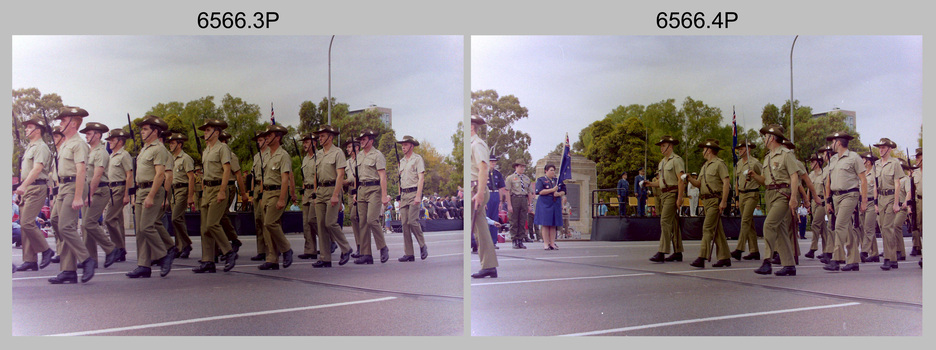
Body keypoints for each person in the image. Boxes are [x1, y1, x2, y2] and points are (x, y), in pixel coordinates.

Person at [47, 106, 98, 284]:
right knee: (57, 223)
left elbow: (81, 170)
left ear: (73, 123)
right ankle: (68, 270)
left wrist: (78, 196)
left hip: (73, 185)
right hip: (63, 186)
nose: (60, 124)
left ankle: (86, 259)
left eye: (63, 120)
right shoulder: (66, 144)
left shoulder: (78, 144)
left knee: (65, 227)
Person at [747, 124, 801, 276]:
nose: (764, 139)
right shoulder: (767, 157)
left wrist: (794, 197)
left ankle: (767, 261)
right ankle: (789, 265)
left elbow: (794, 176)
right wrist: (754, 176)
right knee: (780, 229)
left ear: (771, 138)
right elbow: (765, 181)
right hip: (770, 194)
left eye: (766, 137)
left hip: (782, 194)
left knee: (769, 225)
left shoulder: (786, 154)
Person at [127, 115, 174, 278]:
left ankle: (163, 254)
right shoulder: (144, 149)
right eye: (142, 129)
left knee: (147, 226)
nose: (142, 131)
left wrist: (151, 196)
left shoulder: (159, 149)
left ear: (155, 131)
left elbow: (160, 174)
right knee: (140, 231)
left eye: (145, 129)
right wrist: (135, 195)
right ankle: (143, 265)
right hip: (141, 190)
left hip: (151, 190)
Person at [191, 118, 237, 273]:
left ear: (216, 133)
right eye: (204, 130)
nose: (205, 133)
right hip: (207, 190)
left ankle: (229, 251)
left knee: (212, 224)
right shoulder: (206, 150)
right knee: (204, 228)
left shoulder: (222, 148)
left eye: (208, 130)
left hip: (218, 188)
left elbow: (226, 170)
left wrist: (223, 191)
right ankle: (208, 261)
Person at [822, 131, 868, 272]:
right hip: (836, 196)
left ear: (839, 143)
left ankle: (836, 259)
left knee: (840, 225)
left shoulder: (854, 157)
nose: (831, 144)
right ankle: (854, 261)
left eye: (833, 142)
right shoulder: (833, 159)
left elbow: (863, 180)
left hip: (850, 194)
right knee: (847, 228)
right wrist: (828, 200)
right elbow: (829, 182)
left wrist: (864, 201)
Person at [14, 117, 55, 272]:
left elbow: (37, 169)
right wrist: (21, 187)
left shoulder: (41, 147)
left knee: (27, 222)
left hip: (36, 187)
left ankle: (46, 250)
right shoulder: (31, 147)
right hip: (28, 188)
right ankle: (30, 260)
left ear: (37, 130)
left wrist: (23, 186)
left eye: (29, 127)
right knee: (24, 226)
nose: (26, 129)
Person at [78, 121, 121, 268]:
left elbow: (97, 175)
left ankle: (111, 249)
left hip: (99, 191)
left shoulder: (101, 152)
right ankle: (91, 259)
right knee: (85, 226)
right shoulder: (89, 151)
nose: (86, 137)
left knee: (89, 222)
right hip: (89, 191)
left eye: (89, 134)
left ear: (97, 135)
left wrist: (89, 194)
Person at [685, 139, 731, 268]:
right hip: (705, 200)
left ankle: (702, 257)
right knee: (717, 231)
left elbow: (726, 183)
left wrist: (723, 201)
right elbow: (699, 184)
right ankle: (725, 257)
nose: (703, 151)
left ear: (709, 150)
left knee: (707, 228)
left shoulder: (719, 164)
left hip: (715, 200)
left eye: (704, 148)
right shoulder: (705, 166)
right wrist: (690, 179)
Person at [311, 125, 353, 268]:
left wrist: (336, 195)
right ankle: (325, 258)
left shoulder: (338, 152)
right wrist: (316, 194)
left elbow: (341, 174)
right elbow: (316, 176)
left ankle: (346, 248)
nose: (320, 138)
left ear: (330, 137)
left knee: (330, 222)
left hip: (332, 190)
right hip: (321, 191)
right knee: (321, 225)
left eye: (322, 136)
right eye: (319, 136)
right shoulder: (320, 154)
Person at [256, 124, 294, 270]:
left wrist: (282, 199)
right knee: (267, 228)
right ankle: (272, 259)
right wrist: (261, 196)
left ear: (278, 138)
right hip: (266, 193)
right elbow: (263, 178)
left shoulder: (283, 155)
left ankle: (286, 249)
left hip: (277, 193)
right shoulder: (266, 156)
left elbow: (285, 179)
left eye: (270, 135)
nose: (267, 138)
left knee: (269, 223)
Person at [646, 136, 685, 263]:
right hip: (664, 194)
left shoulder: (677, 160)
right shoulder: (662, 162)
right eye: (661, 146)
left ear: (670, 146)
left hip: (672, 193)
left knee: (664, 221)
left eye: (663, 145)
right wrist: (651, 184)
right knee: (673, 224)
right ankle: (678, 252)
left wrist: (680, 198)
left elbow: (681, 180)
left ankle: (662, 251)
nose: (661, 148)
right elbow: (662, 182)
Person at [354, 128, 390, 264]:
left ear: (371, 140)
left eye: (364, 139)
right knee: (362, 222)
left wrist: (384, 196)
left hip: (374, 189)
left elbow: (382, 176)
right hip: (362, 189)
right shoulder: (359, 156)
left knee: (371, 220)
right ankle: (366, 254)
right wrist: (355, 193)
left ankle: (383, 247)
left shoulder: (377, 155)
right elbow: (356, 177)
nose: (361, 142)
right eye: (361, 140)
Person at [470, 115, 498, 278]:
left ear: (472, 127)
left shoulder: (477, 144)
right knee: (478, 229)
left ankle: (488, 265)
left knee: (480, 229)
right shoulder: (471, 144)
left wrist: (480, 194)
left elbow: (483, 169)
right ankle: (489, 265)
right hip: (472, 189)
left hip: (476, 190)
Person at [872, 137, 904, 271]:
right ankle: (892, 259)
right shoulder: (877, 164)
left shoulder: (894, 163)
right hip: (881, 198)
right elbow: (875, 185)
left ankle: (889, 258)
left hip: (891, 197)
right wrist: (875, 203)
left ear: (889, 149)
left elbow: (897, 184)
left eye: (884, 147)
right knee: (884, 229)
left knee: (887, 228)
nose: (881, 150)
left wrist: (896, 203)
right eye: (880, 147)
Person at [396, 135, 429, 261]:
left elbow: (421, 178)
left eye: (405, 145)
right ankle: (409, 253)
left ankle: (422, 245)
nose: (403, 147)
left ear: (411, 146)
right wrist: (399, 196)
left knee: (412, 221)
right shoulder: (402, 161)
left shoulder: (417, 159)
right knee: (404, 224)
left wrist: (418, 196)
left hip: (414, 193)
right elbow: (400, 180)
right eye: (402, 145)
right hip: (404, 195)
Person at [104, 129, 133, 263]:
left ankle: (117, 248)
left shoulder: (124, 155)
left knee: (109, 219)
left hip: (120, 188)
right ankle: (121, 250)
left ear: (120, 141)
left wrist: (127, 194)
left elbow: (129, 175)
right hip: (111, 188)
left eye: (112, 140)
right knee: (118, 222)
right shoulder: (111, 156)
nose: (110, 142)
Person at [731, 140, 762, 261]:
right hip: (742, 194)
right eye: (739, 149)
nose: (739, 151)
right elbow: (737, 182)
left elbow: (763, 178)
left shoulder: (755, 163)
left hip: (752, 193)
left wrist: (754, 176)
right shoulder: (738, 164)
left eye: (742, 149)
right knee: (749, 223)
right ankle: (754, 251)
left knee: (745, 221)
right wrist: (737, 198)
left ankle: (739, 249)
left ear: (749, 150)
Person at [167, 132, 195, 259]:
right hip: (174, 190)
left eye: (173, 143)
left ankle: (187, 244)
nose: (170, 145)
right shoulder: (171, 159)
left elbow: (191, 178)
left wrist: (190, 196)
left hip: (182, 189)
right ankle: (180, 247)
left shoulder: (186, 158)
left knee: (175, 218)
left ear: (179, 144)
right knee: (178, 221)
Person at [805, 153, 832, 261]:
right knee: (823, 228)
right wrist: (807, 202)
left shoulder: (823, 173)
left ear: (818, 162)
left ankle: (813, 249)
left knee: (815, 224)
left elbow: (827, 187)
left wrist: (827, 201)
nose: (811, 163)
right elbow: (809, 189)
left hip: (822, 201)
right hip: (813, 201)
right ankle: (826, 251)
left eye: (813, 161)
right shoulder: (811, 174)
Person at [249, 129, 270, 261]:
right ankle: (261, 250)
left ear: (266, 141)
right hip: (256, 188)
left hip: (265, 189)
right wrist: (251, 194)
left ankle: (271, 249)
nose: (259, 143)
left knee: (266, 221)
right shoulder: (257, 156)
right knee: (257, 221)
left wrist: (262, 193)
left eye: (261, 140)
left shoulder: (269, 155)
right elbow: (253, 176)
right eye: (257, 141)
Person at [297, 132, 319, 260]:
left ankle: (327, 240)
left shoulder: (319, 156)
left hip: (316, 191)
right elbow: (304, 177)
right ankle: (310, 250)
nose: (304, 145)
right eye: (303, 143)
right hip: (307, 191)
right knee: (306, 223)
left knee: (312, 219)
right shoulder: (305, 158)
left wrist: (316, 193)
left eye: (307, 142)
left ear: (314, 143)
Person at [534, 164, 565, 250]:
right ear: (546, 171)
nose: (553, 172)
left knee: (553, 224)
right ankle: (546, 243)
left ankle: (552, 243)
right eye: (551, 170)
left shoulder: (558, 180)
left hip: (555, 202)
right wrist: (552, 190)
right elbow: (540, 191)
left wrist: (558, 193)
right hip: (545, 203)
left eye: (554, 170)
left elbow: (564, 191)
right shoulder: (541, 180)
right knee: (546, 223)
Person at [858, 151, 881, 262]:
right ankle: (875, 253)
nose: (862, 161)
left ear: (869, 161)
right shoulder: (862, 173)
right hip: (862, 202)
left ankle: (864, 251)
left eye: (864, 159)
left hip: (871, 202)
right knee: (865, 228)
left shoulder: (875, 173)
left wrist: (877, 203)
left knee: (869, 228)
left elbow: (877, 189)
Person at [505, 161, 534, 249]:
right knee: (514, 221)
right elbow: (507, 191)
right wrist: (509, 205)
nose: (522, 169)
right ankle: (514, 240)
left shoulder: (526, 179)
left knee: (522, 221)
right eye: (521, 167)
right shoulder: (510, 178)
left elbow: (530, 192)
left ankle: (521, 240)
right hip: (515, 198)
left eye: (524, 167)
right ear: (516, 167)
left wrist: (530, 204)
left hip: (523, 199)